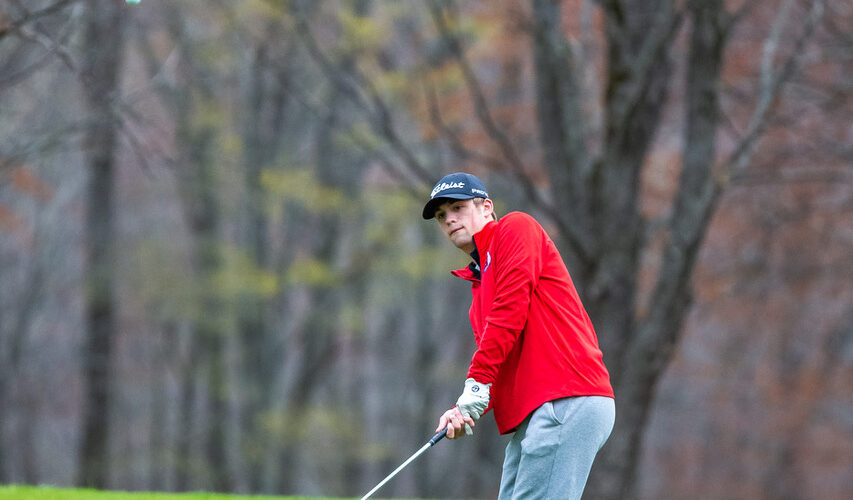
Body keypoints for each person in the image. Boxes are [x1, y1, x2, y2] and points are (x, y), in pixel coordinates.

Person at [423, 172, 615, 499]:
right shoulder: (479, 291)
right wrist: (463, 409)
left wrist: (476, 381)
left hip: (565, 397)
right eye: (442, 216)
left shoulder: (516, 228)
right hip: (536, 412)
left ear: (486, 207)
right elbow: (496, 367)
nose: (449, 219)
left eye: (457, 207)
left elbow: (511, 307)